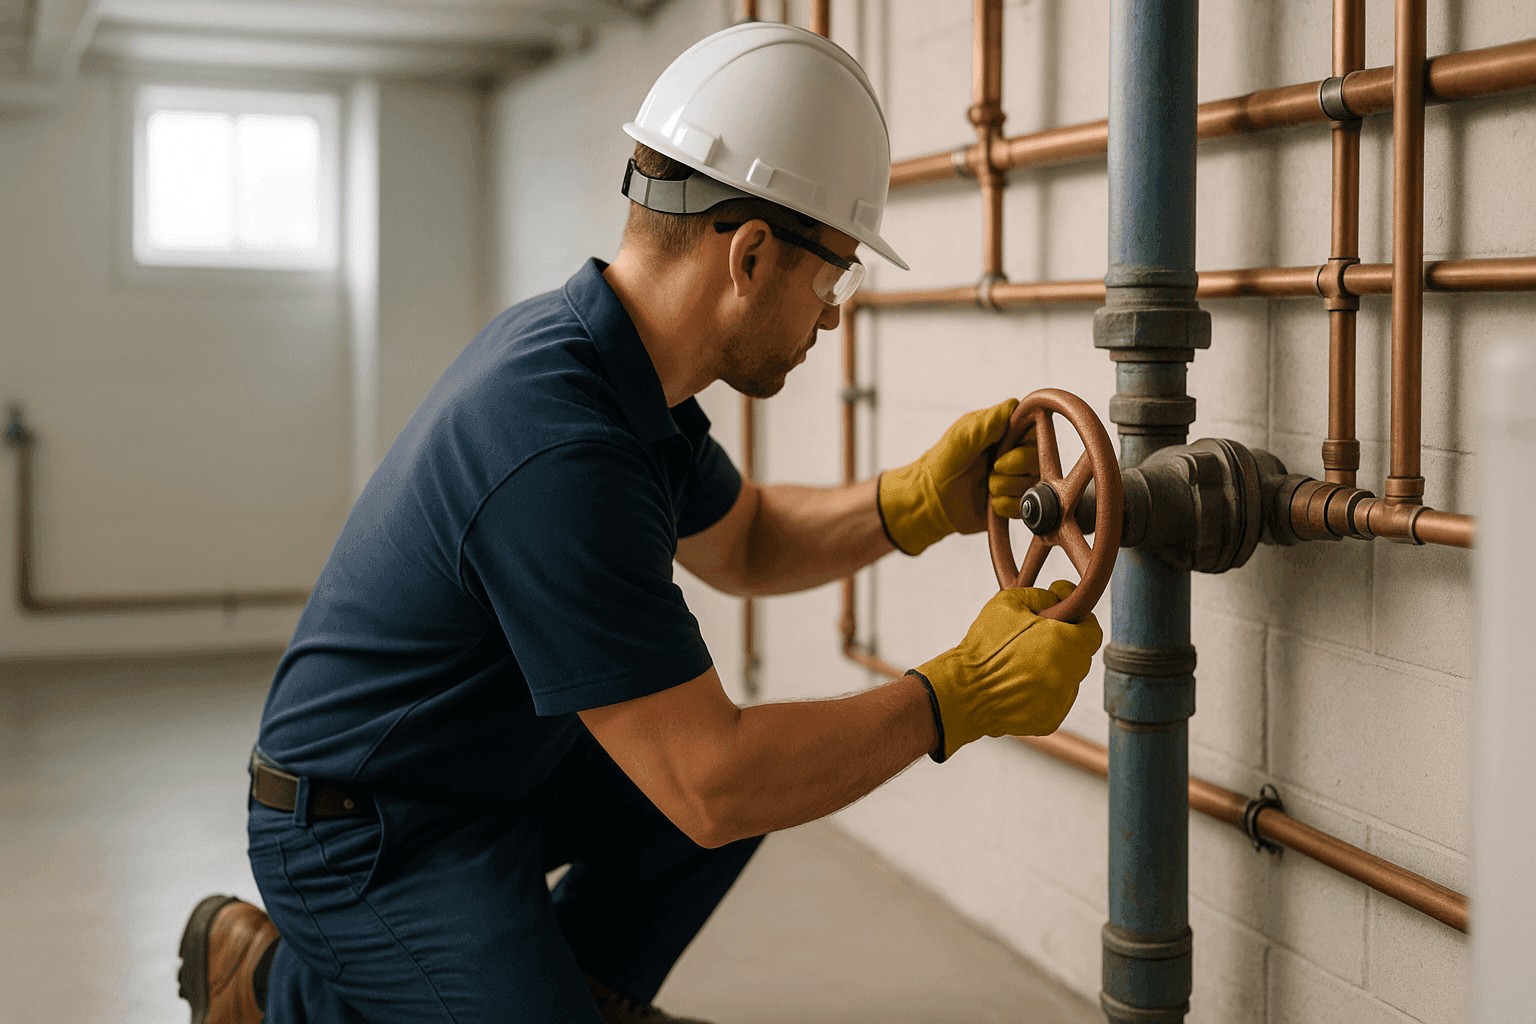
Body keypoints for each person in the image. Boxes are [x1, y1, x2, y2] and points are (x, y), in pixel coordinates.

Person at [176, 21, 1101, 1024]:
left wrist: (917, 501)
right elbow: (713, 778)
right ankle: (281, 990)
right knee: (727, 784)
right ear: (750, 255)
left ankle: (563, 994)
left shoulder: (615, 370)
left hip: (488, 762)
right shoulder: (558, 443)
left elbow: (743, 540)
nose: (831, 316)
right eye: (830, 278)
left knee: (730, 795)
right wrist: (955, 696)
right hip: (366, 828)